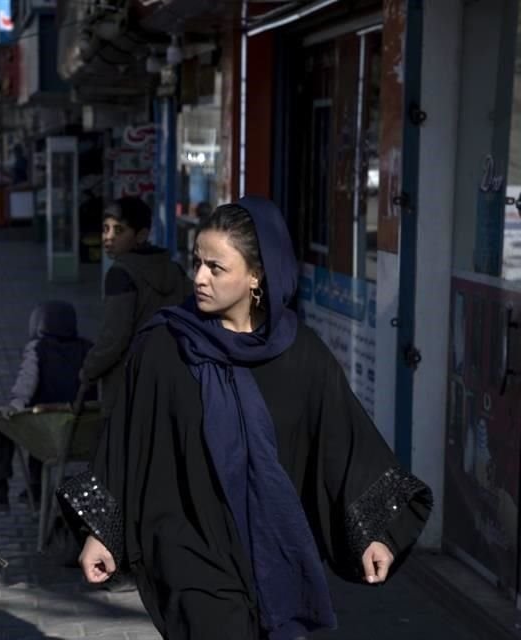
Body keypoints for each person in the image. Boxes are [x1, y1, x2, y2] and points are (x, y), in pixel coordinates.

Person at [60, 197, 433, 640]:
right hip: (187, 549)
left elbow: (344, 445)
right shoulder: (164, 346)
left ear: (256, 275)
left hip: (274, 551)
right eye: (197, 262)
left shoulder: (301, 354)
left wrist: (377, 535)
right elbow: (125, 442)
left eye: (216, 268)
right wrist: (101, 533)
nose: (198, 278)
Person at [79, 196, 193, 421]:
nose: (108, 238)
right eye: (106, 229)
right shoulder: (175, 271)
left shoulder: (120, 274)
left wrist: (88, 370)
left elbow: (114, 338)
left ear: (141, 235)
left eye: (119, 230)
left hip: (129, 386)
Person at [0, 301, 93, 507]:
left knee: (8, 423)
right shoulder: (88, 349)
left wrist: (13, 407)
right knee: (41, 423)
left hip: (47, 424)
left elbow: (26, 384)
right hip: (82, 427)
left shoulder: (38, 348)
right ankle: (36, 488)